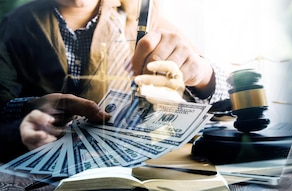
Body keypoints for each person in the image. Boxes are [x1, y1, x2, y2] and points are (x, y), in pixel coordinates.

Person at [0, 0, 230, 162]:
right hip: (42, 168)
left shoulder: (142, 15)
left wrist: (201, 74)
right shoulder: (14, 25)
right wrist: (26, 110)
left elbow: (225, 95)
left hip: (139, 169)